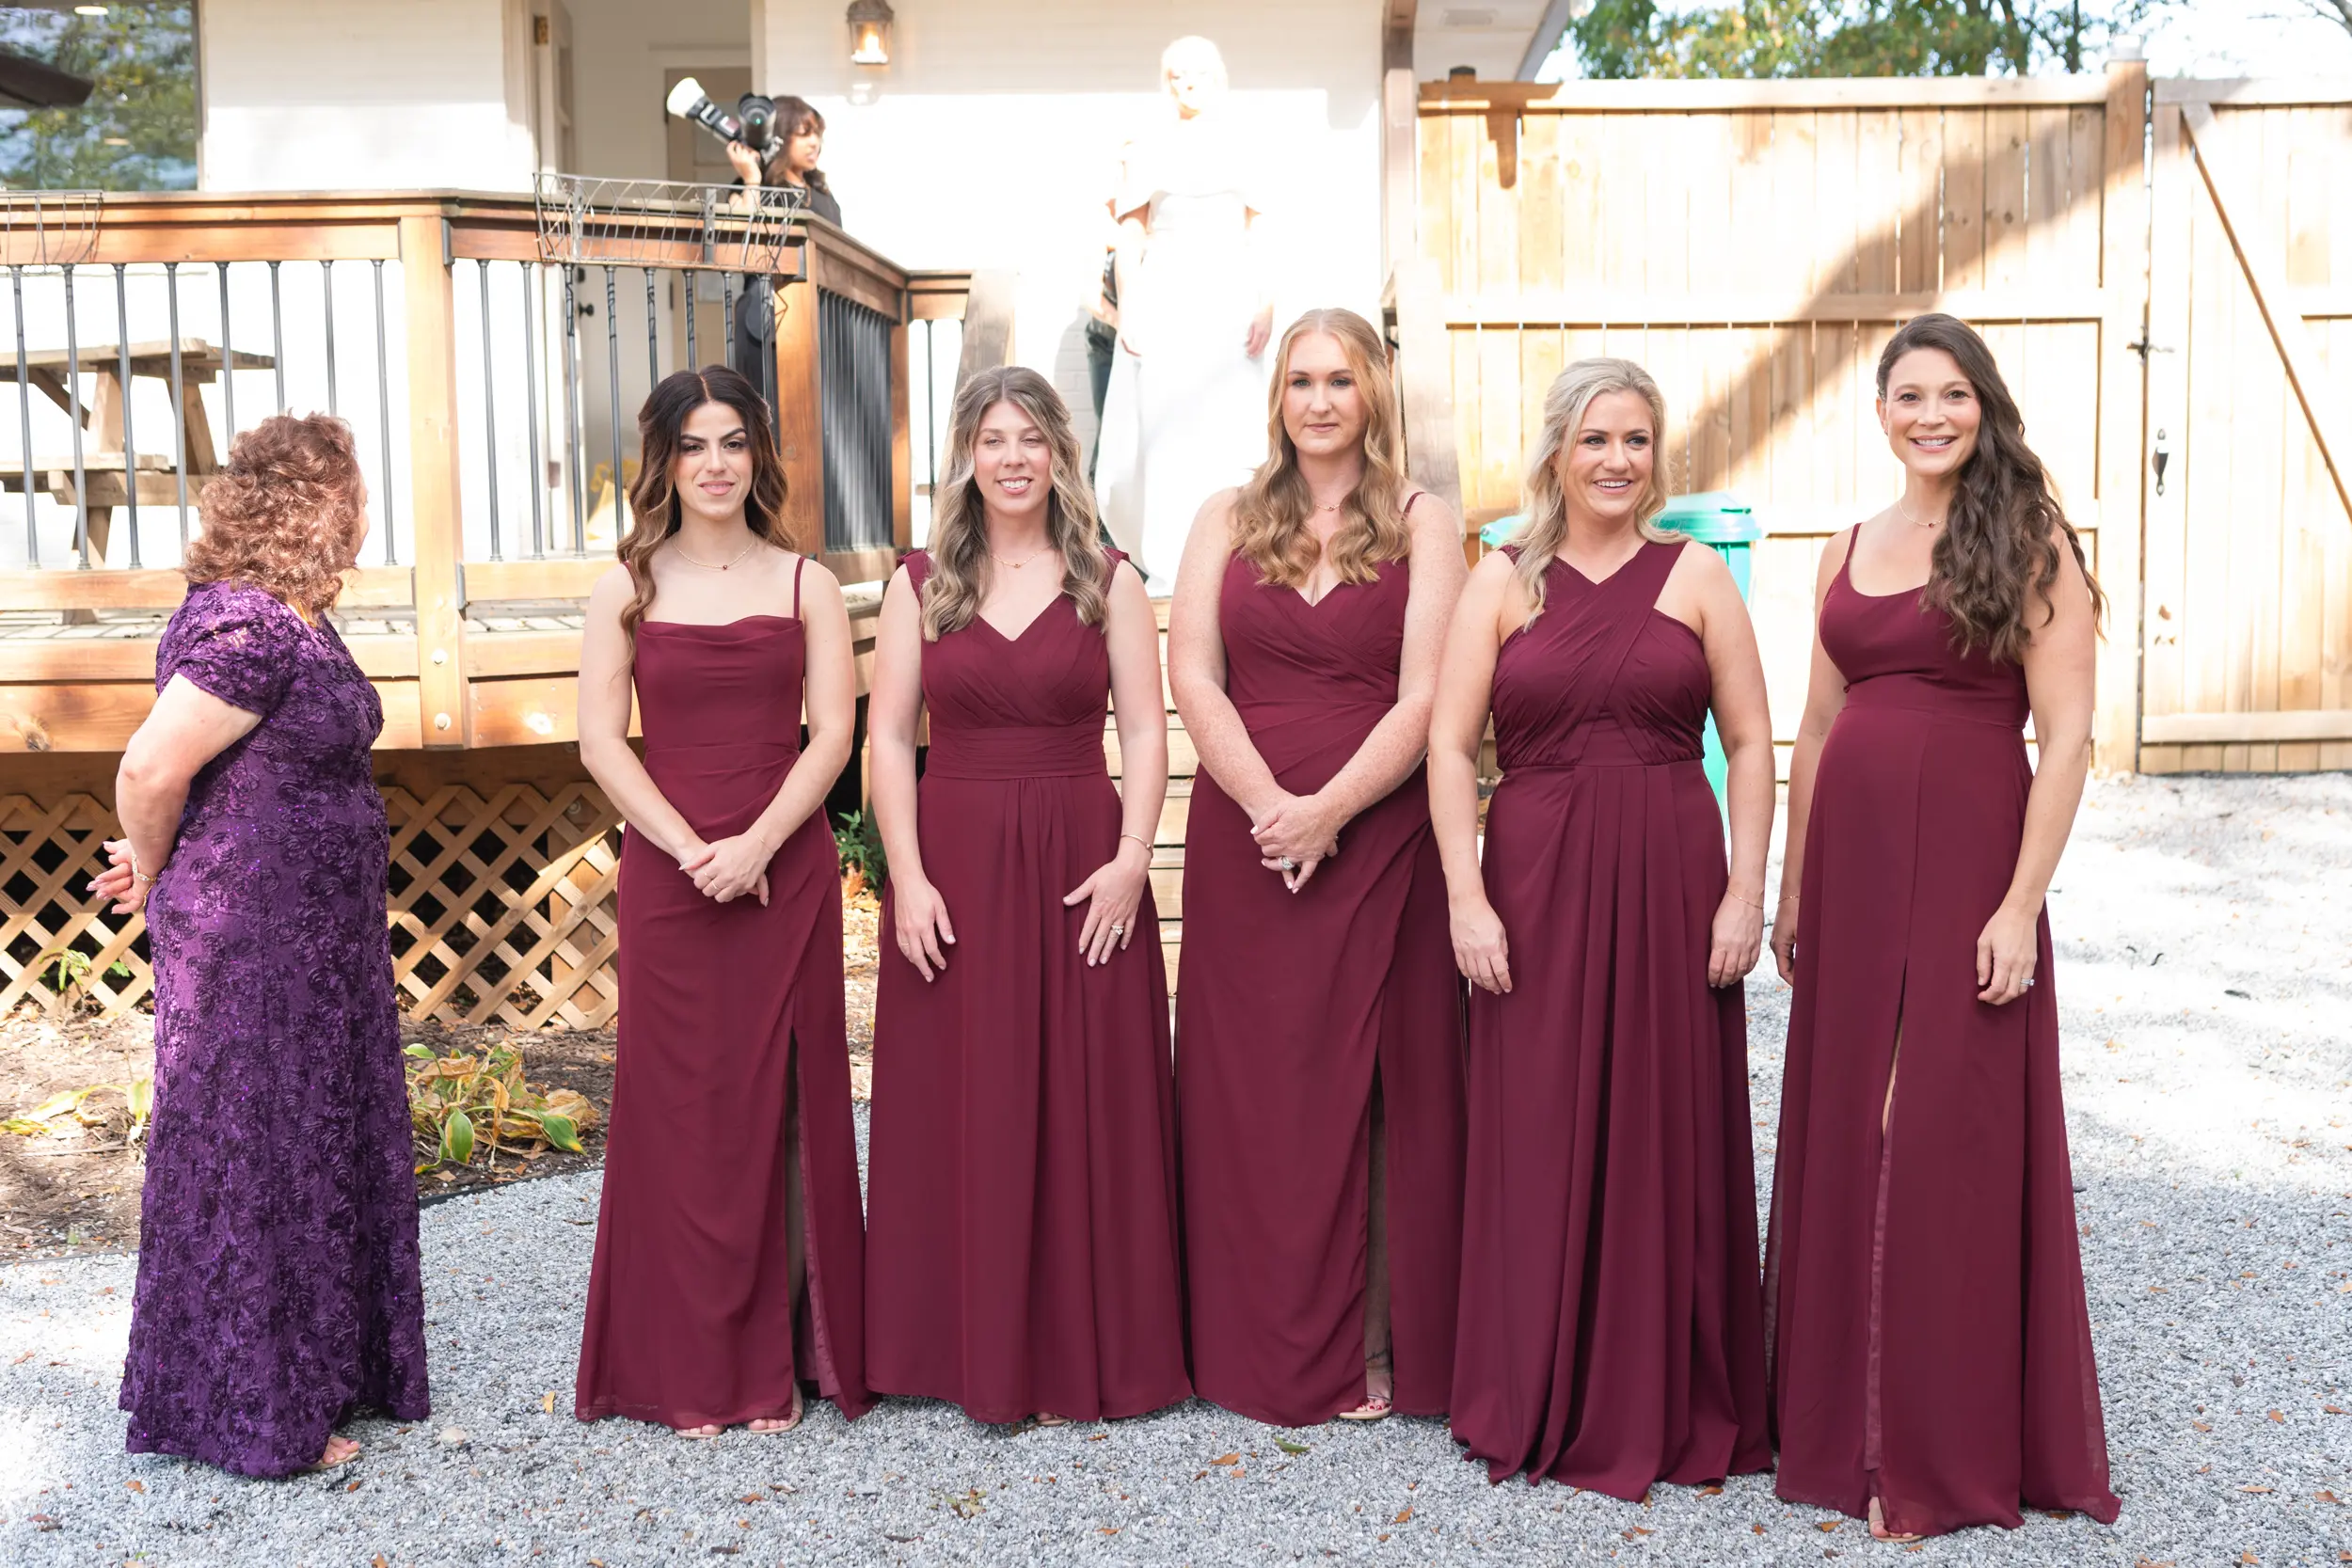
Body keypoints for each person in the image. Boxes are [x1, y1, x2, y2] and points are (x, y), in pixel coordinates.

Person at [1765, 313, 2120, 1539]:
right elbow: (1816, 728)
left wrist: (2020, 904)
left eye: (1953, 394)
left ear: (1984, 407)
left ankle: (1931, 1450)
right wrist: (1792, 889)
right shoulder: (1844, 546)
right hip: (1852, 877)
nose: (1931, 415)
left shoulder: (2027, 542)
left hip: (1971, 863)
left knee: (1930, 1135)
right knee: (1846, 1128)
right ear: (1880, 413)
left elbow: (2067, 738)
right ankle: (1840, 1432)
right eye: (1910, 395)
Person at [1430, 358, 1774, 1496]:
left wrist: (1745, 891)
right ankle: (1536, 1384)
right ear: (1556, 452)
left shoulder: (1696, 575)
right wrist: (1466, 895)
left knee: (1668, 1123)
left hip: (1674, 877)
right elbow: (1448, 749)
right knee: (1535, 1126)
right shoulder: (1499, 578)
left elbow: (1755, 743)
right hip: (1532, 884)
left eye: (1634, 439)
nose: (1616, 460)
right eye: (1594, 439)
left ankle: (1665, 1395)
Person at [96, 413, 428, 1478]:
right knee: (262, 1150)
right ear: (318, 506)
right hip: (255, 939)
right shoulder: (250, 625)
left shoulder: (295, 616)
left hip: (316, 943)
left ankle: (327, 1370)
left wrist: (157, 848)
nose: (363, 513)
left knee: (316, 1141)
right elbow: (151, 768)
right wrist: (152, 863)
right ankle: (257, 1407)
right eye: (354, 494)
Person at [863, 367, 1190, 1426]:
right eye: (993, 439)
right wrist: (906, 876)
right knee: (964, 1096)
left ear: (1059, 453)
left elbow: (1146, 731)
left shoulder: (1107, 579)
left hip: (1081, 864)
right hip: (954, 865)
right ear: (967, 455)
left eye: (1031, 439)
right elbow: (886, 737)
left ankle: (1082, 1346)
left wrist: (1133, 858)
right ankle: (955, 1345)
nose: (1012, 458)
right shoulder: (921, 583)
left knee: (1086, 1099)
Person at [1169, 308, 1468, 1427]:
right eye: (1301, 380)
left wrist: (1330, 811)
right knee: (1249, 1086)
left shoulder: (1421, 522)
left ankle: (1372, 1338)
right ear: (1277, 396)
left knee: (1380, 1086)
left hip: (1379, 833)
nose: (1320, 401)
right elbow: (1193, 675)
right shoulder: (1224, 517)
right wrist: (1270, 808)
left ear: (1372, 393)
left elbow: (1429, 693)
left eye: (1340, 380)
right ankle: (1237, 1335)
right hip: (1246, 837)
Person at [573, 366, 869, 1436]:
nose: (715, 464)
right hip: (672, 875)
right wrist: (694, 848)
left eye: (734, 442)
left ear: (757, 456)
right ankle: (689, 1364)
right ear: (664, 458)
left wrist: (754, 847)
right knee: (680, 1111)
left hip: (782, 869)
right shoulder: (625, 588)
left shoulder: (806, 585)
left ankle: (782, 1358)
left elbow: (833, 736)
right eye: (693, 444)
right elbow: (600, 741)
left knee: (783, 1105)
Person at [1111, 35, 1276, 592]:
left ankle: (1241, 556)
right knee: (1167, 425)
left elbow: (1259, 232)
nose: (1188, 85)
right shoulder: (1148, 148)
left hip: (1230, 299)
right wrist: (1129, 306)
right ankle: (1169, 561)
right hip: (1167, 297)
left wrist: (1267, 301)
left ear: (1217, 78)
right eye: (1177, 75)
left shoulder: (1244, 144)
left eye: (1198, 74)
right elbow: (1130, 236)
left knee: (1231, 425)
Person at [727, 97, 840, 399]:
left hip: (820, 318)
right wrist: (752, 179)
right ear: (778, 137)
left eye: (817, 134)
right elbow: (741, 242)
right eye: (804, 134)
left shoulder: (822, 194)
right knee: (767, 410)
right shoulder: (755, 187)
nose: (815, 142)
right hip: (764, 320)